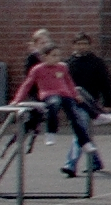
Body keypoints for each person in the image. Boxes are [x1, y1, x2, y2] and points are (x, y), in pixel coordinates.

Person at [16, 36, 100, 176]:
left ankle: (87, 143)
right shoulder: (38, 68)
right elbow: (27, 84)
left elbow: (70, 83)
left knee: (76, 118)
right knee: (53, 105)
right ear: (44, 56)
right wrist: (18, 99)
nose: (57, 58)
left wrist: (75, 95)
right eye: (54, 55)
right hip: (49, 95)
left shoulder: (63, 66)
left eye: (58, 55)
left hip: (68, 95)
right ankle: (51, 133)